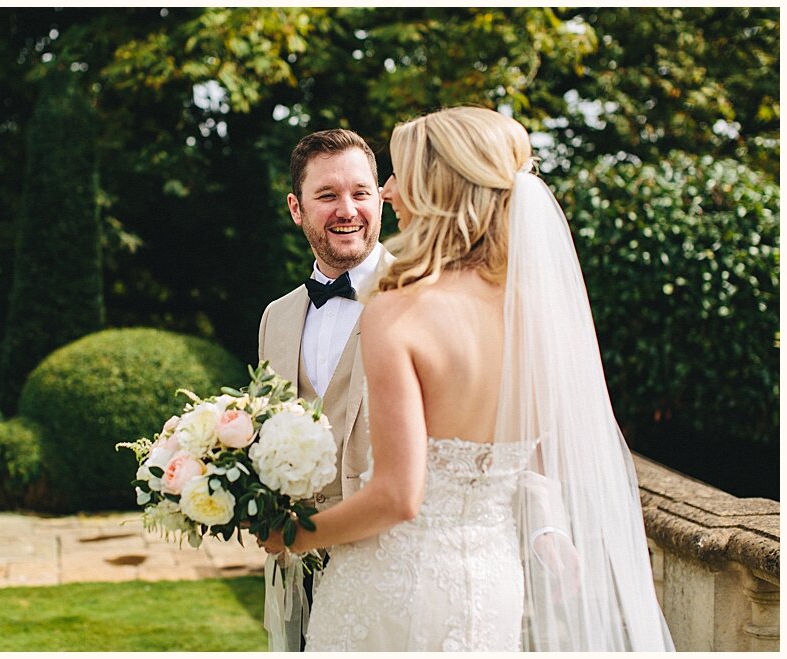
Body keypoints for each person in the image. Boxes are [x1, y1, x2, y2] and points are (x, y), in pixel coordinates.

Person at [265, 107, 673, 651]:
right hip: (487, 581)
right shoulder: (535, 313)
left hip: (383, 580)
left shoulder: (396, 308)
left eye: (385, 180)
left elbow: (400, 496)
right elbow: (513, 443)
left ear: (433, 188)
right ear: (297, 207)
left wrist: (288, 534)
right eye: (328, 195)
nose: (384, 192)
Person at [253, 128, 392, 649]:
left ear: (380, 198)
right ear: (297, 208)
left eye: (360, 192)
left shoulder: (419, 297)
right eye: (328, 195)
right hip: (293, 569)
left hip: (387, 560)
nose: (347, 209)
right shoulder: (276, 317)